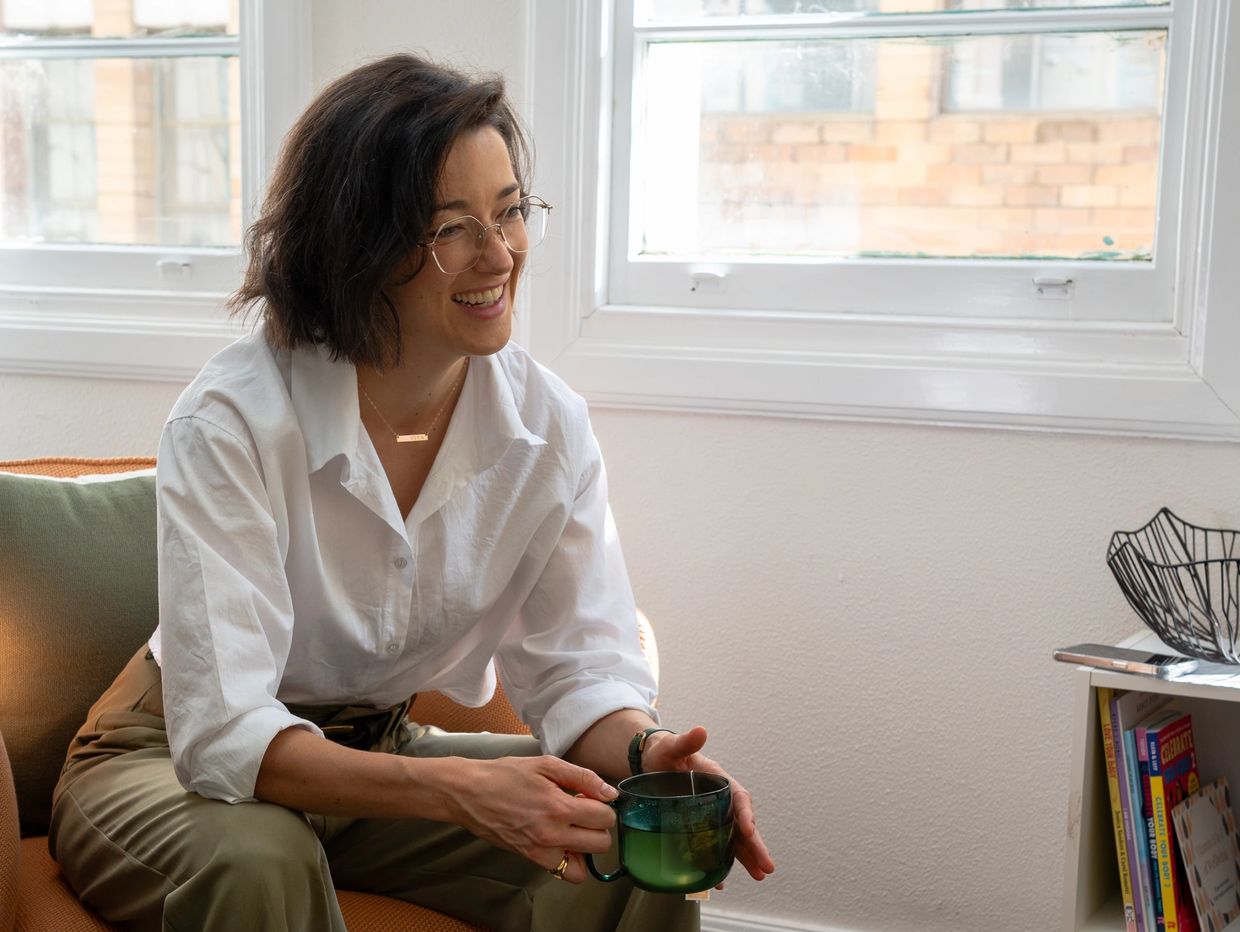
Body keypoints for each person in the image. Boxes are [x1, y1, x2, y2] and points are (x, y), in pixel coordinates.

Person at [47, 52, 774, 932]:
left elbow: (580, 672)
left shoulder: (550, 429)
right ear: (359, 244)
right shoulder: (231, 420)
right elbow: (225, 732)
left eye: (511, 212)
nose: (500, 253)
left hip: (378, 756)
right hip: (166, 757)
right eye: (452, 228)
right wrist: (460, 791)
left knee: (621, 837)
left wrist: (651, 756)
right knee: (259, 860)